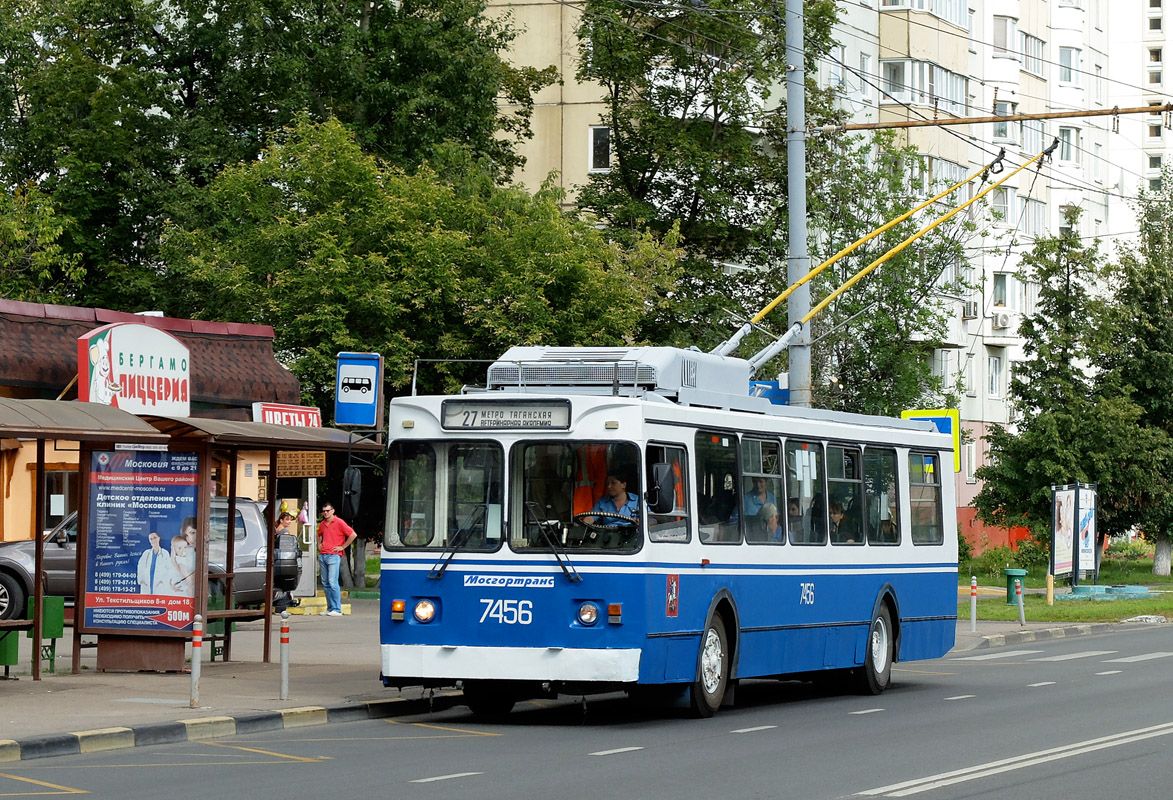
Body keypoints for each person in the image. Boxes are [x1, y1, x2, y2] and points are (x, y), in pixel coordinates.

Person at [317, 502, 357, 617]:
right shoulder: (323, 524)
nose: (325, 513)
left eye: (327, 511)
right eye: (324, 511)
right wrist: (319, 544)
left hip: (334, 555)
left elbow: (353, 534)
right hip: (323, 555)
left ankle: (337, 608)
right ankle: (330, 608)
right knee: (325, 583)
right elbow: (318, 533)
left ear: (333, 511)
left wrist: (343, 546)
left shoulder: (339, 522)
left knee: (332, 581)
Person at [273, 511, 298, 613]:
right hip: (284, 558)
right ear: (281, 520)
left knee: (277, 582)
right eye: (287, 519)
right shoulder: (285, 532)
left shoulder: (275, 531)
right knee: (285, 581)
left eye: (290, 519)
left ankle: (278, 605)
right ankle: (282, 606)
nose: (289, 521)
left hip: (276, 558)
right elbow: (288, 547)